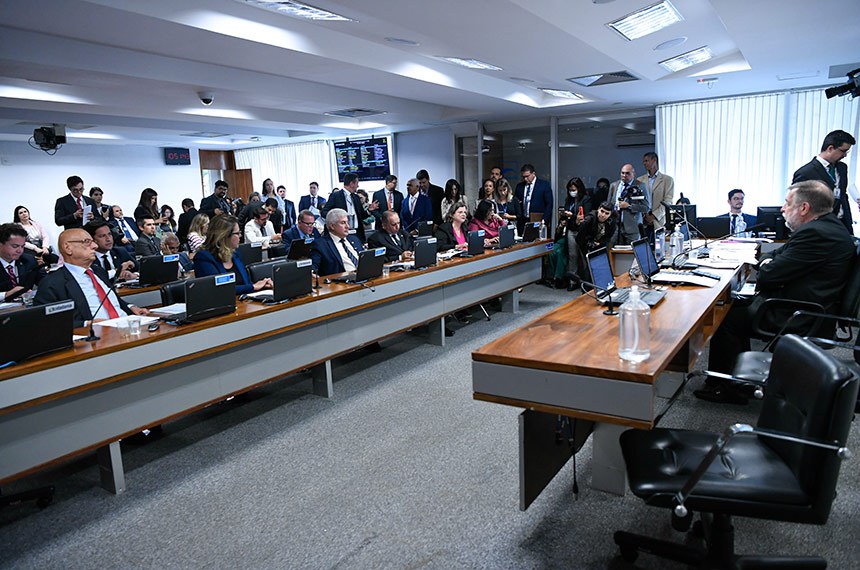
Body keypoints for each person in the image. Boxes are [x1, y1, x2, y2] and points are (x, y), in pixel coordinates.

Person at [698, 180, 856, 404]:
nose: (782, 208)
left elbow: (769, 273)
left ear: (804, 208)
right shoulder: (826, 227)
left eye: (787, 203)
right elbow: (771, 260)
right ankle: (737, 380)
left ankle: (730, 388)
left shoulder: (816, 234)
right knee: (736, 307)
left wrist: (767, 265)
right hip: (807, 304)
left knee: (727, 316)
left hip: (799, 313)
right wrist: (768, 263)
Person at [34, 228, 147, 327]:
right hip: (97, 336)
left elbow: (111, 300)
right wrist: (85, 324)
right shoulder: (52, 283)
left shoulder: (98, 272)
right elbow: (45, 322)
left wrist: (130, 307)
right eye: (87, 242)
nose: (95, 246)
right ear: (68, 248)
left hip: (127, 324)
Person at [792, 129, 855, 233]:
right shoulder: (805, 172)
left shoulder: (842, 168)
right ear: (830, 148)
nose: (845, 155)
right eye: (843, 151)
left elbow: (842, 194)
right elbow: (797, 203)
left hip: (843, 225)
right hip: (820, 227)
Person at [193, 214, 272, 295]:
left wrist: (262, 285)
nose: (240, 236)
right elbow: (219, 289)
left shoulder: (235, 253)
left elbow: (246, 282)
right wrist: (253, 287)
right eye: (237, 233)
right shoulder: (203, 258)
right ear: (225, 236)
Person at [551, 177, 592, 286]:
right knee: (572, 255)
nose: (572, 192)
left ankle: (587, 281)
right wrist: (565, 217)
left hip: (582, 232)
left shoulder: (586, 199)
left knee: (584, 257)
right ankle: (572, 281)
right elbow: (566, 212)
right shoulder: (568, 200)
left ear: (579, 189)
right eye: (570, 190)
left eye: (574, 189)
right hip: (571, 230)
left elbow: (586, 216)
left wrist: (572, 215)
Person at [310, 208, 366, 276]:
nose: (347, 226)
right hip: (342, 283)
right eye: (343, 223)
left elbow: (365, 259)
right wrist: (312, 273)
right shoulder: (320, 244)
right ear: (332, 226)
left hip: (364, 276)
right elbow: (313, 267)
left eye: (347, 222)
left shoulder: (354, 239)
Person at [1, 223, 45, 301]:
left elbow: (45, 282)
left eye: (22, 246)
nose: (20, 251)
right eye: (15, 246)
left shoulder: (29, 260)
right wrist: (6, 294)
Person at [608, 164, 650, 244]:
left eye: (627, 173)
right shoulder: (614, 185)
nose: (624, 175)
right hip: (616, 227)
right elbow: (609, 205)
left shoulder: (640, 186)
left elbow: (646, 207)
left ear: (633, 174)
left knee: (633, 253)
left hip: (633, 228)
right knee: (614, 253)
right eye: (622, 173)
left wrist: (629, 206)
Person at [321, 173, 367, 242]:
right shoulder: (335, 196)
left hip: (357, 233)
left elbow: (361, 216)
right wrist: (336, 217)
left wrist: (369, 210)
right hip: (340, 234)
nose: (358, 186)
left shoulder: (356, 197)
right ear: (352, 184)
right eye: (357, 183)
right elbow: (324, 212)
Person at [637, 152, 674, 236]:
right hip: (643, 221)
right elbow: (638, 201)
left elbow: (668, 201)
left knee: (659, 247)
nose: (644, 163)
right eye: (643, 161)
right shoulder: (639, 180)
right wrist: (645, 216)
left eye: (647, 161)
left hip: (659, 221)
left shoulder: (667, 180)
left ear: (654, 160)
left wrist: (654, 216)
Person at [514, 164, 553, 233]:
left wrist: (544, 220)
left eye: (527, 176)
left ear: (533, 174)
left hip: (538, 220)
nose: (525, 179)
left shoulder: (544, 185)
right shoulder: (520, 186)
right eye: (523, 177)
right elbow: (516, 202)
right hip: (523, 221)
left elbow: (549, 204)